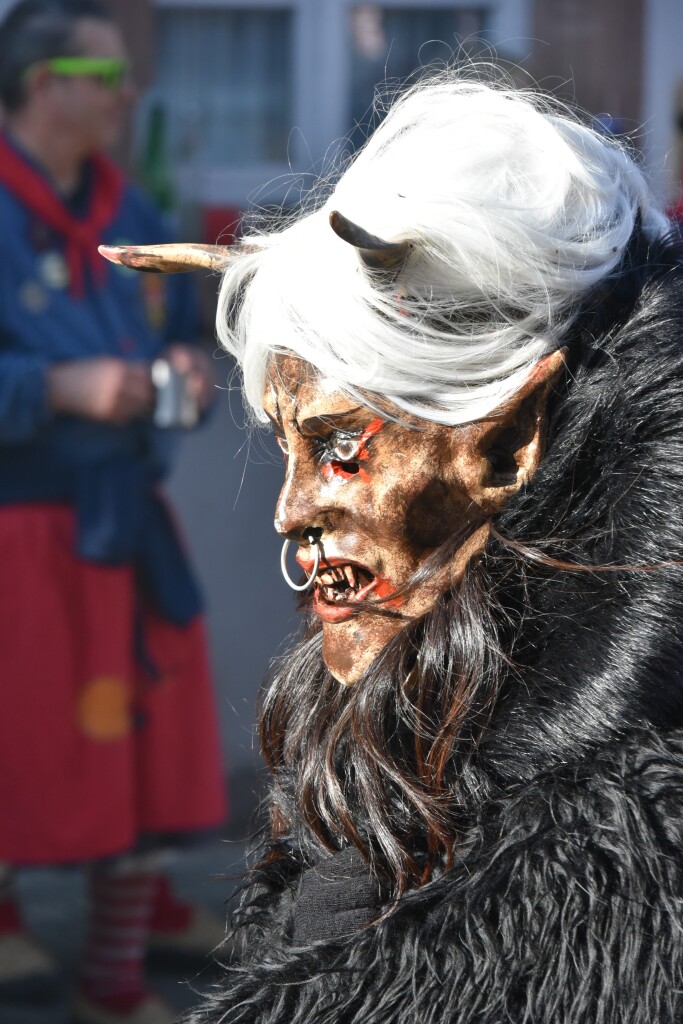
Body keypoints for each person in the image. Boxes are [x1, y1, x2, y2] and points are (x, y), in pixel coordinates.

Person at [103, 74, 683, 1023]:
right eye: (284, 447)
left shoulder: (623, 833)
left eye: (339, 448)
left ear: (505, 437)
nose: (290, 512)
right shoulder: (414, 653)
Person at [0, 2, 226, 1022]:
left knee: (141, 741)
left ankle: (116, 974)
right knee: (34, 744)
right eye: (108, 72)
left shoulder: (127, 209)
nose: (127, 93)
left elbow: (180, 321)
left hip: (126, 522)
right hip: (23, 531)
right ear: (47, 83)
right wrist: (56, 387)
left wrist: (186, 365)